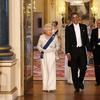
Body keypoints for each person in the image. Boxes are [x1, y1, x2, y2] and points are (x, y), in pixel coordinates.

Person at [65, 13, 91, 93]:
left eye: (76, 17)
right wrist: (68, 52)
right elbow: (67, 41)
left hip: (82, 50)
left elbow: (86, 39)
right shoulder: (68, 28)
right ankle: (76, 86)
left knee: (84, 67)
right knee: (74, 69)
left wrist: (89, 50)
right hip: (73, 51)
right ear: (71, 19)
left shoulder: (83, 27)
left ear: (79, 18)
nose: (75, 18)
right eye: (73, 17)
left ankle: (80, 81)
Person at [37, 24, 59, 92]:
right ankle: (45, 87)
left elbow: (58, 47)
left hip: (51, 55)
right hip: (43, 55)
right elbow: (38, 46)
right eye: (48, 30)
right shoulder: (41, 37)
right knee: (44, 70)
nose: (50, 31)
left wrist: (53, 49)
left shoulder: (54, 37)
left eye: (50, 29)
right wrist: (42, 50)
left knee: (51, 70)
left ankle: (51, 87)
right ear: (45, 30)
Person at [90, 19, 100, 86]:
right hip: (96, 51)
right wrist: (90, 50)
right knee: (96, 66)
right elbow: (91, 41)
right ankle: (97, 81)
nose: (99, 24)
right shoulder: (94, 31)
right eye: (98, 23)